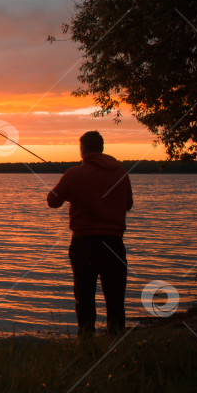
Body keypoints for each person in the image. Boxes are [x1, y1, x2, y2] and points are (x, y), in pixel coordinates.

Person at [47, 131, 133, 337]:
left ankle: (86, 341)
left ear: (83, 149)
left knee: (85, 297)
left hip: (84, 244)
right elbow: (128, 205)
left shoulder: (74, 173)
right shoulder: (121, 172)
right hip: (114, 244)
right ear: (101, 148)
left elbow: (52, 201)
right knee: (115, 298)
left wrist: (72, 189)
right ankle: (116, 342)